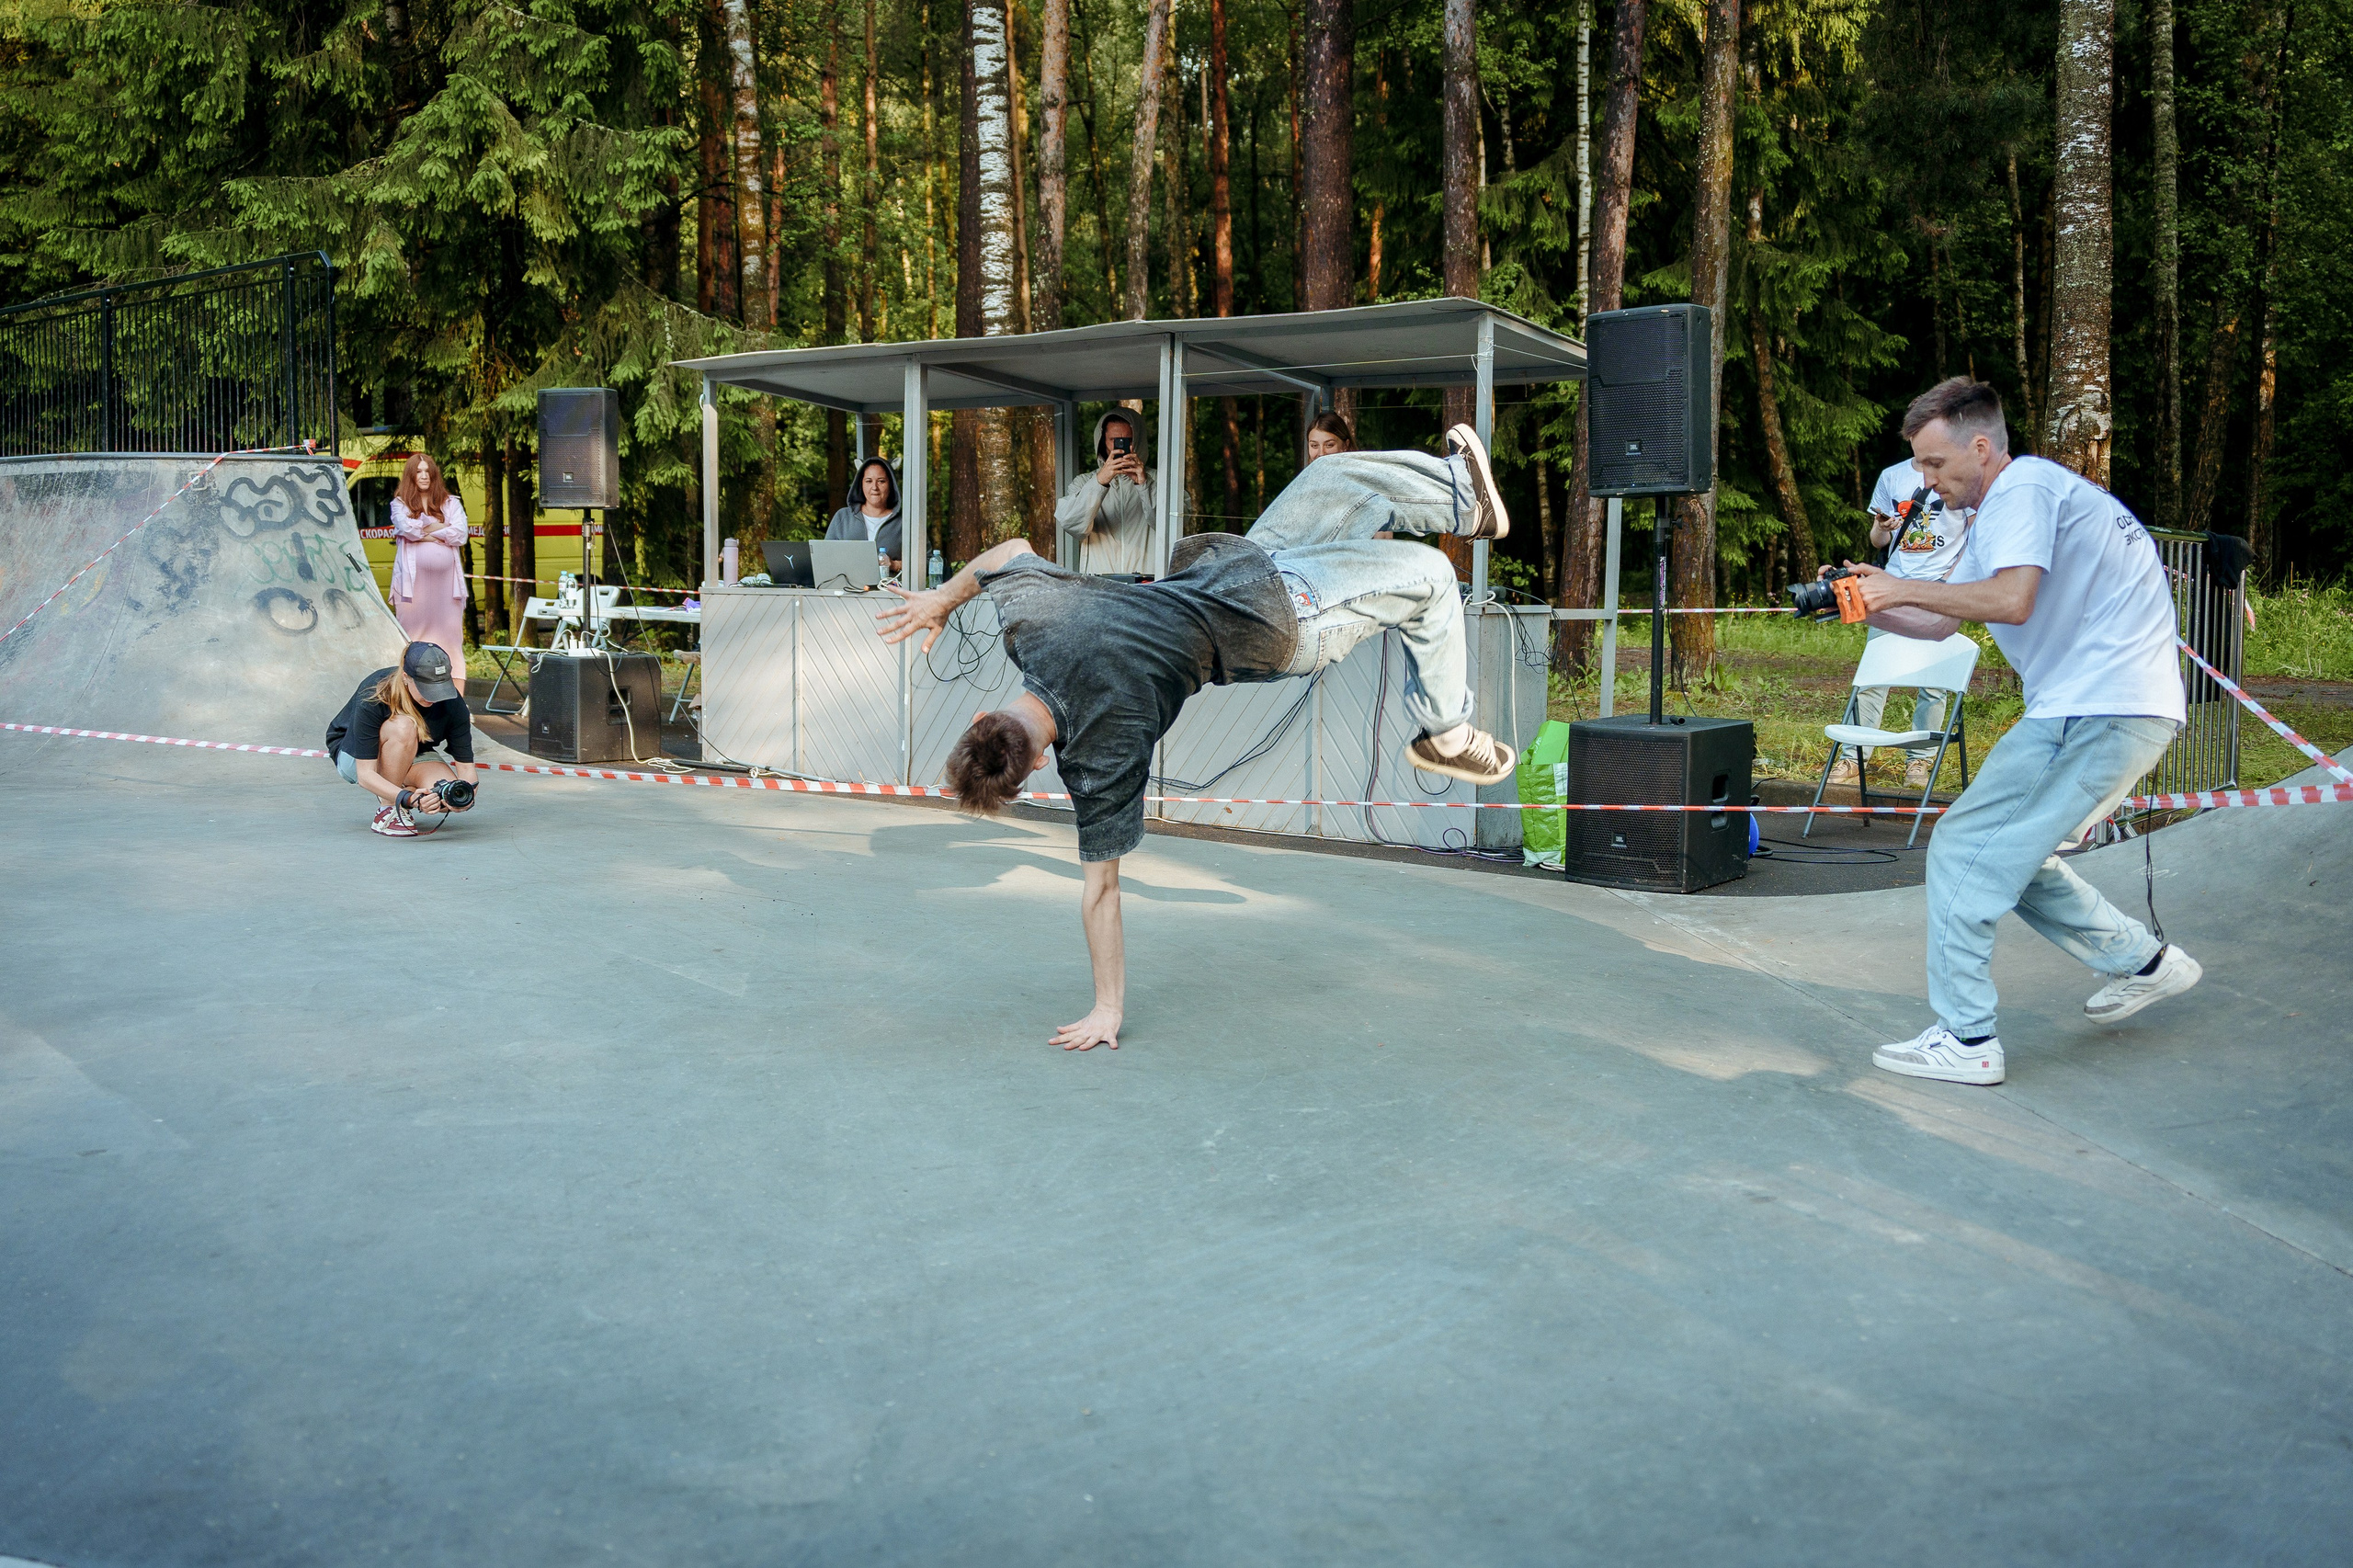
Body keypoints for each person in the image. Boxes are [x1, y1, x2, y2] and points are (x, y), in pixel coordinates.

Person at [880, 424, 1512, 1051]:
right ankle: (1446, 731)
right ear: (979, 717)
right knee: (1426, 573)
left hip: (1246, 569)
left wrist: (1107, 1008)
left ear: (1037, 764)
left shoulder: (1097, 763)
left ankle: (1464, 498)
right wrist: (940, 600)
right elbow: (1003, 551)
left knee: (1334, 478)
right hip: (1281, 615)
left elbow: (1101, 893)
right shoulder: (1031, 619)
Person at [1838, 378, 2198, 1086]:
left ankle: (1967, 1038)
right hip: (2096, 707)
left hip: (2098, 708)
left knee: (1966, 844)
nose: (1928, 482)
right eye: (1919, 468)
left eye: (1936, 465)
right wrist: (1861, 602)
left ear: (1981, 446)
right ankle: (2146, 962)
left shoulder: (2025, 487)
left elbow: (2013, 601)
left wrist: (1899, 584)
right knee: (2014, 854)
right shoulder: (1995, 511)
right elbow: (1943, 619)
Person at [1830, 455, 1975, 790]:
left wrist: (1955, 580)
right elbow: (1877, 541)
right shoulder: (1891, 475)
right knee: (1873, 676)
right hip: (1891, 585)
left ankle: (1919, 761)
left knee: (1936, 683)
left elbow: (1976, 532)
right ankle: (1855, 756)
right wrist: (1881, 527)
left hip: (1939, 587)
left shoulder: (1959, 474)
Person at [324, 641, 482, 838]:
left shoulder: (453, 702)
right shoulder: (376, 693)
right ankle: (388, 810)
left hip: (413, 751)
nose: (434, 697)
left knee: (445, 794)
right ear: (406, 677)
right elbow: (365, 775)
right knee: (404, 726)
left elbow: (467, 771)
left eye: (439, 687)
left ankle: (404, 790)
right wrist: (407, 800)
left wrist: (463, 798)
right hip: (355, 755)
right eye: (426, 688)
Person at [389, 451, 470, 693]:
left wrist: (423, 531)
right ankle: (410, 699)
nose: (423, 476)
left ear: (434, 474)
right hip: (413, 590)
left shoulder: (451, 502)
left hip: (448, 591)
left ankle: (458, 704)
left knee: (451, 642)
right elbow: (406, 528)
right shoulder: (399, 504)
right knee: (412, 641)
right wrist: (441, 528)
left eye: (427, 471)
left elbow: (460, 534)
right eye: (418, 471)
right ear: (410, 476)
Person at [1054, 410, 1157, 575]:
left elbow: (1172, 524)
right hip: (1102, 585)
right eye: (1114, 440)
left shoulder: (1160, 480)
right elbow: (1072, 525)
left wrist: (1144, 484)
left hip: (1148, 583)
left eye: (1127, 440)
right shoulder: (1084, 482)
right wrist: (1100, 481)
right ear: (1103, 442)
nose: (1121, 445)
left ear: (1138, 441)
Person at [824, 456, 904, 577]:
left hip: (890, 594)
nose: (874, 487)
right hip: (846, 592)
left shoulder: (905, 522)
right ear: (860, 484)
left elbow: (928, 561)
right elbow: (824, 558)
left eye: (881, 481)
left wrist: (894, 564)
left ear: (891, 484)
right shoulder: (843, 517)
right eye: (868, 481)